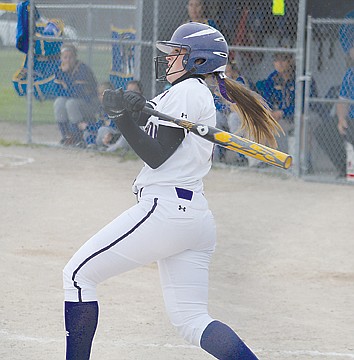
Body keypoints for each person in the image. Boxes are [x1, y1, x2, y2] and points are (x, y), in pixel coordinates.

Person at [63, 22, 281, 360]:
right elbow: (151, 127)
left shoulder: (188, 91)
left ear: (198, 61)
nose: (168, 59)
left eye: (177, 53)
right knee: (192, 320)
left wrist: (122, 119)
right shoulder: (185, 93)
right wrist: (129, 106)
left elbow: (157, 155)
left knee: (77, 276)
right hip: (193, 217)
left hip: (165, 209)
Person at [262, 52, 318, 155]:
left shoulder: (302, 77)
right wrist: (269, 111)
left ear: (291, 61)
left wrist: (283, 112)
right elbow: (266, 99)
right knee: (258, 121)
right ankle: (259, 161)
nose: (279, 63)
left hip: (305, 115)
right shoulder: (272, 78)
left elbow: (304, 105)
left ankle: (301, 162)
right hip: (281, 117)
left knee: (302, 123)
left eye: (283, 60)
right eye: (276, 60)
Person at [53, 44, 99, 146]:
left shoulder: (82, 70)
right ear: (61, 58)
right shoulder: (59, 70)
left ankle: (79, 138)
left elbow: (78, 93)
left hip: (90, 103)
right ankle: (67, 136)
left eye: (70, 57)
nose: (68, 60)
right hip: (76, 100)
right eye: (65, 57)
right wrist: (65, 76)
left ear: (75, 58)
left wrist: (66, 77)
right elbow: (58, 92)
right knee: (59, 102)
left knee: (71, 103)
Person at [105, 80, 143, 152]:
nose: (131, 93)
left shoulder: (144, 105)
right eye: (129, 90)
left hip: (139, 136)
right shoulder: (123, 106)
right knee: (104, 130)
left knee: (130, 129)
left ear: (140, 92)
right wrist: (112, 136)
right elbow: (116, 125)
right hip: (122, 135)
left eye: (134, 90)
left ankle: (117, 148)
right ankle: (105, 146)